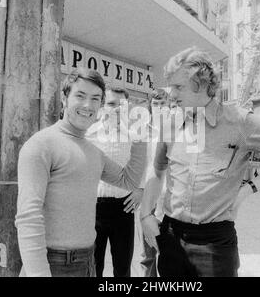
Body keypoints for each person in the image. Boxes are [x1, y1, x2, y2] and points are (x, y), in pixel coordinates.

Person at [140, 47, 260, 277]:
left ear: (201, 83)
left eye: (178, 87)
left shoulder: (241, 122)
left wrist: (247, 190)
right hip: (171, 235)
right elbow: (157, 169)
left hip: (215, 243)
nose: (171, 94)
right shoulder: (170, 123)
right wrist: (146, 214)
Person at [15, 68, 147, 277]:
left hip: (87, 263)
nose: (88, 105)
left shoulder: (93, 152)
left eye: (95, 98)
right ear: (64, 98)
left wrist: (139, 136)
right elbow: (28, 217)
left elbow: (128, 180)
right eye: (80, 95)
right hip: (52, 264)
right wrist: (39, 273)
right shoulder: (41, 145)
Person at [85, 87, 144, 277]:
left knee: (122, 268)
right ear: (102, 105)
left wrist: (140, 189)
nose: (116, 109)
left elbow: (146, 162)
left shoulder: (134, 136)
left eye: (121, 105)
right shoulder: (88, 133)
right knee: (94, 267)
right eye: (111, 104)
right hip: (93, 208)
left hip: (123, 208)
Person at [138, 88, 169, 277]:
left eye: (163, 104)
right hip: (148, 198)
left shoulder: (177, 130)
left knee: (168, 253)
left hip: (169, 199)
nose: (159, 108)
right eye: (155, 104)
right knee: (147, 255)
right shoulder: (143, 132)